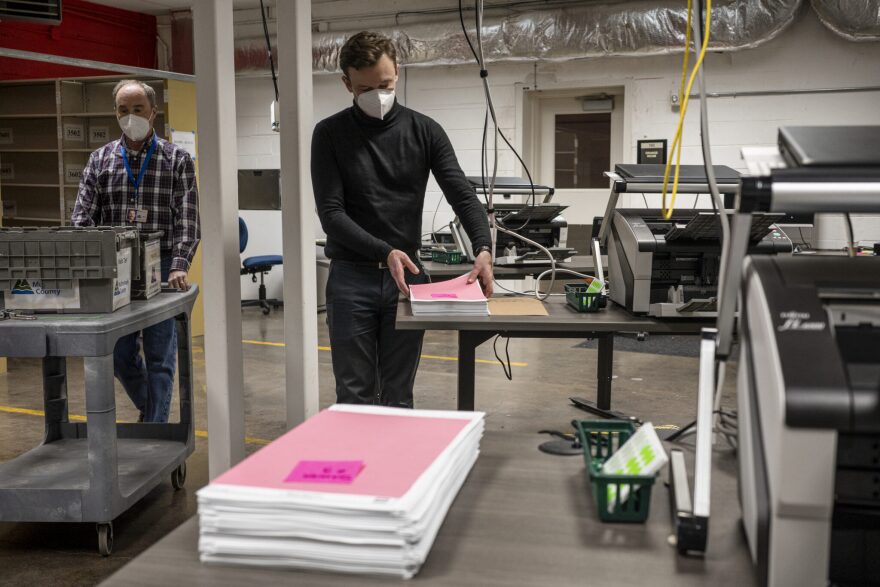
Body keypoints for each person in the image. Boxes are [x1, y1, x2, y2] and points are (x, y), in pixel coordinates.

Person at [312, 31, 493, 408]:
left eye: (385, 84)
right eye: (365, 88)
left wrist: (483, 246)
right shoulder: (329, 134)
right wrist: (384, 251)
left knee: (398, 395)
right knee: (354, 395)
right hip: (351, 279)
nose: (377, 94)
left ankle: (395, 467)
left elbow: (461, 193)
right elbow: (332, 214)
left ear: (398, 72)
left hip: (407, 279)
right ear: (347, 83)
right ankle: (363, 466)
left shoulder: (425, 131)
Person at [72, 79, 200, 423]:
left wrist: (179, 265)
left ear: (153, 112)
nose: (130, 116)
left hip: (161, 278)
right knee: (119, 357)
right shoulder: (100, 161)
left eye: (138, 109)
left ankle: (155, 430)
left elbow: (188, 221)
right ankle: (152, 413)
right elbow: (82, 219)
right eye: (123, 110)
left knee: (161, 360)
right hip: (117, 280)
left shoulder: (177, 160)